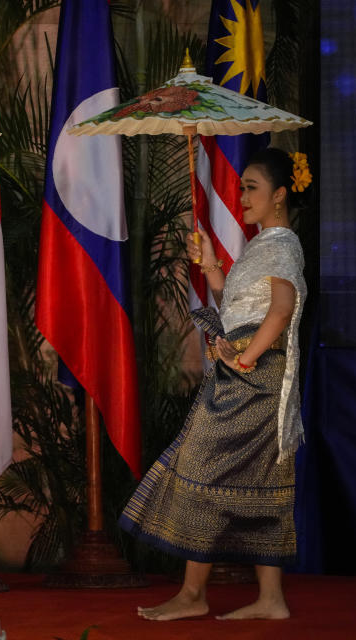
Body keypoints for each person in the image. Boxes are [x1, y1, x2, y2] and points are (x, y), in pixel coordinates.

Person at [119, 147, 310, 621]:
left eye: (251, 188)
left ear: (280, 195)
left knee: (199, 468)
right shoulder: (263, 245)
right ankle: (270, 599)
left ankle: (192, 594)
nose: (240, 196)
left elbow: (281, 311)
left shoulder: (282, 244)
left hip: (253, 379)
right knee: (259, 479)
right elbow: (236, 309)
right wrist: (210, 268)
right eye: (241, 187)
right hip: (243, 374)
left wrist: (244, 357)